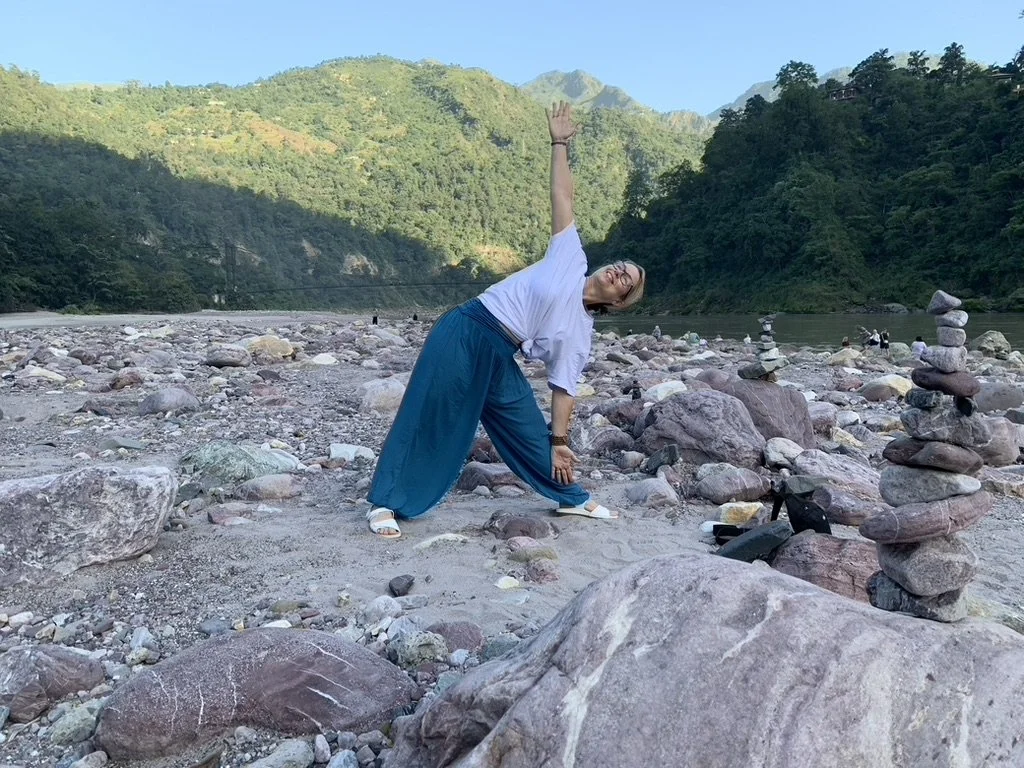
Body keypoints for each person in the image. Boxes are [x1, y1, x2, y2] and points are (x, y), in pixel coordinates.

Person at [364, 101, 646, 538]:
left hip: (499, 353)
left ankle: (572, 499)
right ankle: (385, 503)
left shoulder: (580, 333)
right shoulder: (571, 257)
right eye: (619, 264)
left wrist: (560, 442)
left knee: (528, 427)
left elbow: (563, 388)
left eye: (625, 277)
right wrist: (558, 143)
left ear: (622, 298)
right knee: (431, 413)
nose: (617, 270)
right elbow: (563, 196)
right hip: (467, 329)